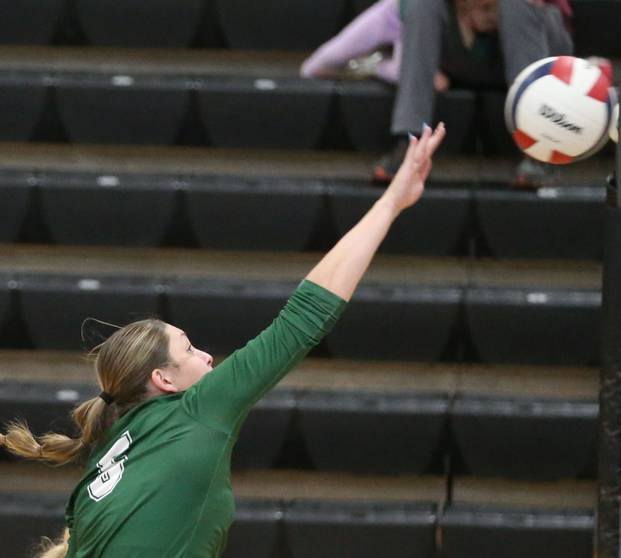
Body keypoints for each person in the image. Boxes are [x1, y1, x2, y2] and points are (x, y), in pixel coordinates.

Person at [0, 123, 446, 557]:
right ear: (164, 380)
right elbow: (307, 313)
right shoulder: (194, 410)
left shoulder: (104, 465)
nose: (207, 356)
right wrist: (391, 202)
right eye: (189, 349)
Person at [371, 0, 574, 187]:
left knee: (517, 3)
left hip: (534, 37)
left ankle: (539, 147)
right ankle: (411, 143)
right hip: (464, 35)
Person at [299, 0, 451, 92]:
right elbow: (311, 69)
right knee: (314, 67)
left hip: (426, 23)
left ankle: (372, 65)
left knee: (433, 82)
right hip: (393, 12)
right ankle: (371, 65)